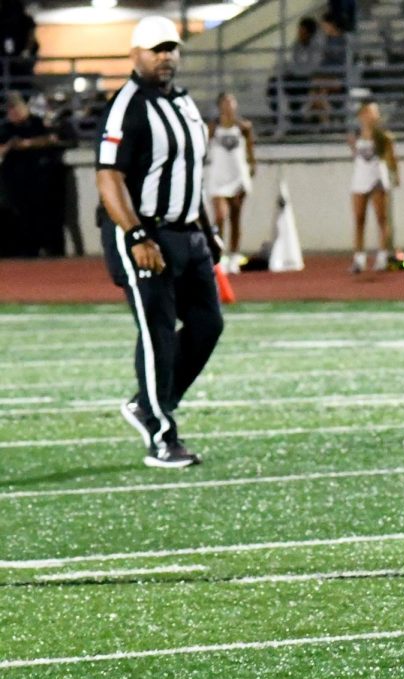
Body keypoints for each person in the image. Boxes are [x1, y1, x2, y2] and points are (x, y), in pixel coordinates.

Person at [95, 16, 223, 468]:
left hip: (187, 233)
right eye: (156, 48)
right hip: (145, 233)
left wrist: (207, 230)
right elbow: (108, 177)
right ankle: (160, 434)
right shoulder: (126, 105)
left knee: (208, 325)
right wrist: (135, 235)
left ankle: (149, 402)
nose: (166, 55)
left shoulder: (184, 103)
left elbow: (190, 174)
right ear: (136, 54)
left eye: (171, 47)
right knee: (158, 333)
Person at [0, 90, 58, 256]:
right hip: (14, 182)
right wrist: (11, 145)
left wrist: (28, 144)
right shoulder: (6, 129)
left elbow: (51, 139)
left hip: (38, 179)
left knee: (42, 216)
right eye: (10, 109)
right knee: (18, 218)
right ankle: (25, 250)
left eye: (16, 107)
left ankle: (47, 248)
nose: (13, 112)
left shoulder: (36, 124)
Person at [207, 91, 256, 274]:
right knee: (220, 217)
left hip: (237, 176)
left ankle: (234, 255)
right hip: (218, 177)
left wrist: (252, 166)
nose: (229, 105)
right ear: (219, 105)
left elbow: (250, 149)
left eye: (232, 101)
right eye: (225, 102)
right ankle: (218, 255)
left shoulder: (243, 127)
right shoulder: (213, 127)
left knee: (236, 216)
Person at [348, 100, 399, 273]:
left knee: (381, 219)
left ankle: (382, 256)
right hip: (360, 178)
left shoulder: (383, 135)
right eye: (370, 112)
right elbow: (358, 156)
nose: (373, 116)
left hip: (377, 177)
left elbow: (391, 158)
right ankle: (359, 258)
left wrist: (395, 175)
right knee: (359, 219)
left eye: (374, 112)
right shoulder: (356, 134)